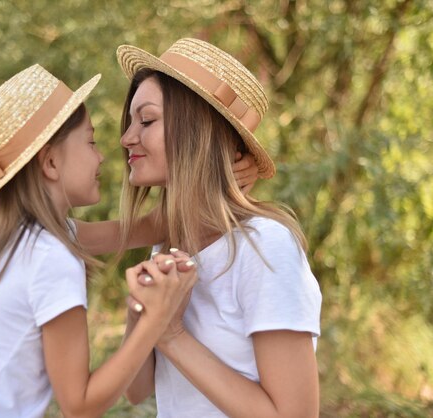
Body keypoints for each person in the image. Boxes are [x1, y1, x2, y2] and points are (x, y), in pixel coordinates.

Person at [0, 64, 198, 418]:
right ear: (50, 163)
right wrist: (158, 317)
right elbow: (79, 405)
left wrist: (221, 168)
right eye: (91, 142)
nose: (102, 155)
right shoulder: (50, 258)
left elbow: (148, 227)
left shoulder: (27, 237)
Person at [117, 38, 323, 417]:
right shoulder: (166, 250)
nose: (126, 138)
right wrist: (139, 312)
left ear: (196, 129)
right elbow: (136, 389)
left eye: (145, 120)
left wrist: (171, 333)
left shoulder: (264, 247)